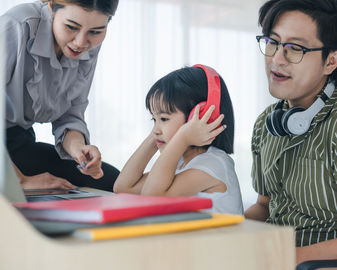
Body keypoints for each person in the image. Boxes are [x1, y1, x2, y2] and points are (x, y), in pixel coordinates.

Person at [244, 0, 337, 267]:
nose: (276, 59)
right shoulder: (266, 123)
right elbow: (264, 207)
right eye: (273, 42)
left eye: (295, 49)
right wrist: (221, 234)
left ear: (331, 61)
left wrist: (277, 261)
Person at [0, 0, 120, 192]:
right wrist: (21, 182)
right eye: (71, 27)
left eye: (96, 31)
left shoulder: (87, 46)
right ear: (51, 9)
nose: (81, 42)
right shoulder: (16, 25)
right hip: (4, 147)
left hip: (17, 142)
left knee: (113, 181)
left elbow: (70, 114)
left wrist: (78, 149)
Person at [114, 65, 244, 215]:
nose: (156, 129)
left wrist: (182, 137)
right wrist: (155, 137)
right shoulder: (181, 163)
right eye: (153, 119)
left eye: (163, 118)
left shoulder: (214, 163)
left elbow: (151, 197)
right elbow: (123, 188)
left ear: (200, 116)